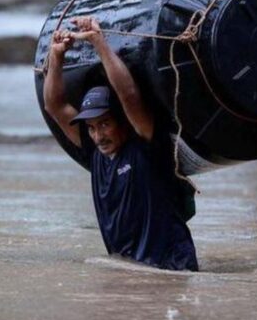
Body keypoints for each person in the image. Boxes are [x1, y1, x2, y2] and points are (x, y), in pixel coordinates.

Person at [42, 16, 198, 271]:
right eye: (91, 127)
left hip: (172, 267)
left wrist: (98, 42)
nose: (98, 135)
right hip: (131, 269)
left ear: (123, 121)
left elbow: (129, 96)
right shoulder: (95, 152)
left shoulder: (146, 144)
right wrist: (57, 56)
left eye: (104, 124)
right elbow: (54, 106)